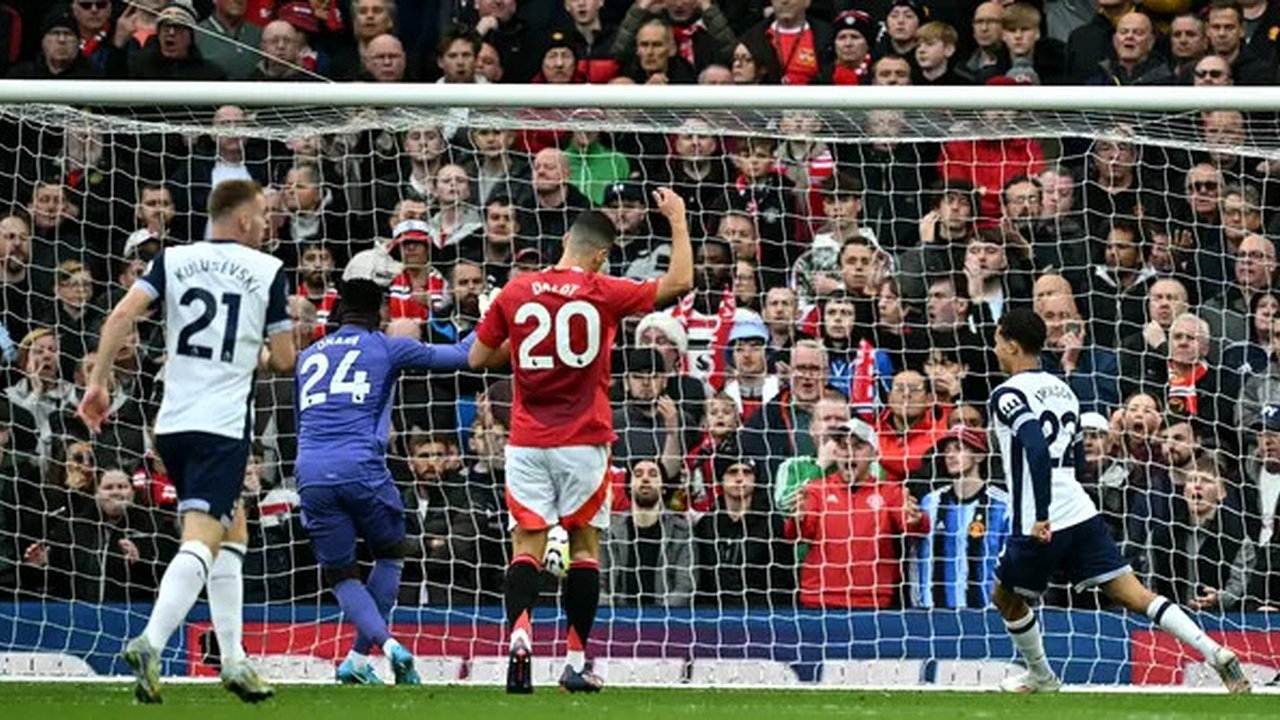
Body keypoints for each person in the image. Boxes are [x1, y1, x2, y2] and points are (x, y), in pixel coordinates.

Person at [76, 179, 297, 704]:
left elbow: (121, 315)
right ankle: (151, 642)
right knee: (201, 538)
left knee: (234, 532)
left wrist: (98, 382)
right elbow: (285, 359)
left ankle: (235, 660)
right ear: (243, 220)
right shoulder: (267, 271)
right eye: (263, 216)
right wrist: (256, 356)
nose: (266, 225)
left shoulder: (172, 260)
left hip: (170, 424)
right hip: (220, 427)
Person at [468, 188, 693, 694]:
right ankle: (573, 661)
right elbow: (681, 281)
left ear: (566, 240)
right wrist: (676, 218)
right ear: (602, 256)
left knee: (525, 544)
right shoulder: (604, 290)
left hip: (526, 440)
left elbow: (478, 361)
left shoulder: (515, 291)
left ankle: (520, 639)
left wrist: (520, 344)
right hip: (584, 441)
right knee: (584, 547)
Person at [985, 307, 1247, 693]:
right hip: (1079, 507)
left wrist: (1040, 514)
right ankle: (1214, 651)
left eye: (996, 341)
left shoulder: (1007, 394)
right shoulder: (1063, 390)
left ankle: (1041, 674)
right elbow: (1073, 455)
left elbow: (1037, 449)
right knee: (1134, 593)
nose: (994, 348)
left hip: (1040, 516)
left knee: (1004, 598)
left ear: (1010, 343)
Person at [294, 246, 475, 685]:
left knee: (341, 574)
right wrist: (490, 317)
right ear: (379, 310)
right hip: (362, 467)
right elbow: (461, 357)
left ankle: (365, 657)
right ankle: (384, 646)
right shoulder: (387, 347)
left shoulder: (308, 357)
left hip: (311, 469)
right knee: (390, 556)